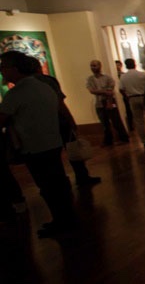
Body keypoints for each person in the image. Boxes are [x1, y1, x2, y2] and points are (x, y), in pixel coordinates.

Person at [0, 51, 78, 237]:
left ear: (15, 69)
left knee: (48, 186)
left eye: (4, 67)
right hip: (52, 142)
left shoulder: (16, 93)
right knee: (58, 183)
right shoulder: (44, 87)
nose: (2, 72)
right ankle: (67, 219)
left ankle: (61, 222)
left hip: (34, 146)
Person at [29, 58, 101, 188]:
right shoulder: (48, 81)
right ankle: (81, 176)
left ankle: (60, 181)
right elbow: (60, 103)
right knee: (72, 148)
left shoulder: (25, 85)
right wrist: (70, 120)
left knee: (52, 154)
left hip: (41, 124)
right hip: (59, 120)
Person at [86, 59, 130, 145]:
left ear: (100, 66)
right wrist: (104, 91)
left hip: (109, 100)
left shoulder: (107, 77)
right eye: (91, 66)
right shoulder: (90, 79)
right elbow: (91, 90)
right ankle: (108, 140)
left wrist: (104, 93)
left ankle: (123, 137)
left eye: (94, 65)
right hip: (99, 103)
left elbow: (110, 91)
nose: (93, 68)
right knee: (104, 123)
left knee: (116, 121)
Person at [120, 58, 145, 147]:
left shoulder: (123, 77)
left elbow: (121, 89)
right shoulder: (142, 74)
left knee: (138, 120)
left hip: (132, 98)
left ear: (126, 65)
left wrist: (126, 96)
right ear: (135, 64)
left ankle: (144, 141)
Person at [115, 59, 133, 131]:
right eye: (116, 65)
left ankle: (131, 125)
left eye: (118, 65)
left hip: (126, 94)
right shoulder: (114, 75)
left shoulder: (124, 75)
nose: (117, 67)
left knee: (129, 110)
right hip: (120, 94)